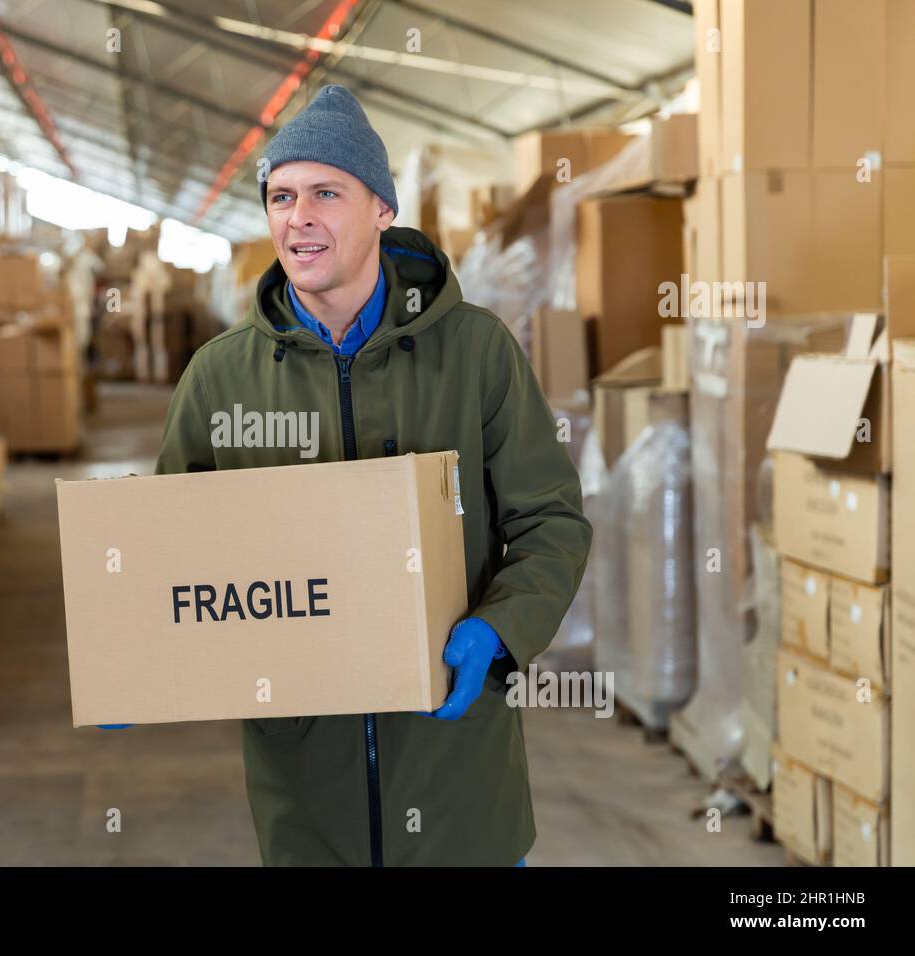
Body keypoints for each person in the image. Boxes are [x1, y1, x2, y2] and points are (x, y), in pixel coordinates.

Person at [151, 84, 592, 866]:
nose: (299, 217)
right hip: (306, 799)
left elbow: (549, 519)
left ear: (382, 210)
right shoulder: (221, 380)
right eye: (282, 195)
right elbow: (173, 553)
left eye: (327, 192)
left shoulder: (476, 352)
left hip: (460, 784)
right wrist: (146, 658)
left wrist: (501, 628)